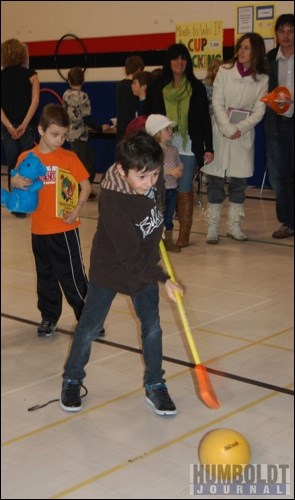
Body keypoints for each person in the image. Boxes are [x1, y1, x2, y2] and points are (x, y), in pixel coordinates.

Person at [59, 131, 183, 416]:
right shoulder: (113, 201)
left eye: (154, 174)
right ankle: (72, 378)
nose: (149, 182)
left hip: (145, 263)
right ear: (122, 170)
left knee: (152, 327)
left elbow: (158, 198)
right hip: (111, 269)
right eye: (141, 177)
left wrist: (160, 223)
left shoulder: (153, 177)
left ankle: (155, 384)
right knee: (89, 328)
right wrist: (164, 278)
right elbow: (129, 258)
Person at [10, 103, 94, 337]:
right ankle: (49, 317)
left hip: (65, 229)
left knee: (73, 277)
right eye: (55, 134)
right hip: (39, 230)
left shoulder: (69, 157)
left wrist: (76, 211)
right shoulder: (26, 157)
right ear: (40, 130)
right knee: (45, 277)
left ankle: (88, 319)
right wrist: (15, 183)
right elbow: (16, 182)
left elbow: (86, 186)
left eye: (64, 135)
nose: (60, 140)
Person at [201, 33, 269, 244]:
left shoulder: (263, 79)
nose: (241, 51)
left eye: (246, 48)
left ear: (256, 52)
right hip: (220, 132)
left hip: (243, 135)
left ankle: (234, 225)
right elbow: (218, 102)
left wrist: (238, 127)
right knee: (216, 180)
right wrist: (227, 128)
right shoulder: (224, 71)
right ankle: (212, 226)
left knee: (239, 182)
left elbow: (259, 111)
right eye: (240, 47)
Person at [147, 43, 214, 247]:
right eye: (175, 58)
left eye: (183, 58)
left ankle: (184, 233)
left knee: (183, 187)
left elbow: (204, 119)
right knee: (160, 188)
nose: (179, 62)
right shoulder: (157, 87)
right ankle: (163, 231)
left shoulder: (197, 87)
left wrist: (209, 147)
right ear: (169, 61)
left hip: (188, 145)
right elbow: (149, 118)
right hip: (162, 145)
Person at [1, 38, 40, 217]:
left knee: (12, 165)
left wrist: (9, 126)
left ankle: (16, 206)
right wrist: (24, 125)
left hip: (7, 128)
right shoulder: (31, 75)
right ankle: (29, 201)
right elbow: (35, 100)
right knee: (28, 164)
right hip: (27, 127)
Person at [264, 14, 294, 239]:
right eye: (281, 31)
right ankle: (287, 222)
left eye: (290, 31)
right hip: (276, 126)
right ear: (276, 34)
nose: (286, 36)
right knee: (278, 176)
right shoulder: (270, 58)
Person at [63, 67, 110, 201]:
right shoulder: (83, 96)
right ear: (83, 80)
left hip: (70, 134)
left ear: (69, 81)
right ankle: (80, 190)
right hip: (79, 136)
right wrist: (100, 128)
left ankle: (84, 187)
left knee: (89, 157)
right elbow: (87, 118)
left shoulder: (66, 94)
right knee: (83, 163)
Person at [145, 114, 183, 252]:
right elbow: (155, 168)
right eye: (167, 129)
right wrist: (170, 171)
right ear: (157, 133)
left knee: (169, 215)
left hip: (172, 188)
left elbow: (179, 162)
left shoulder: (173, 150)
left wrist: (179, 169)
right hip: (158, 190)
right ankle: (155, 241)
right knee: (157, 215)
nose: (170, 131)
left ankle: (168, 241)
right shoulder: (153, 152)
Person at [116, 55, 145, 142]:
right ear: (139, 69)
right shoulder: (136, 87)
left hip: (121, 128)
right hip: (133, 129)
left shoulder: (119, 85)